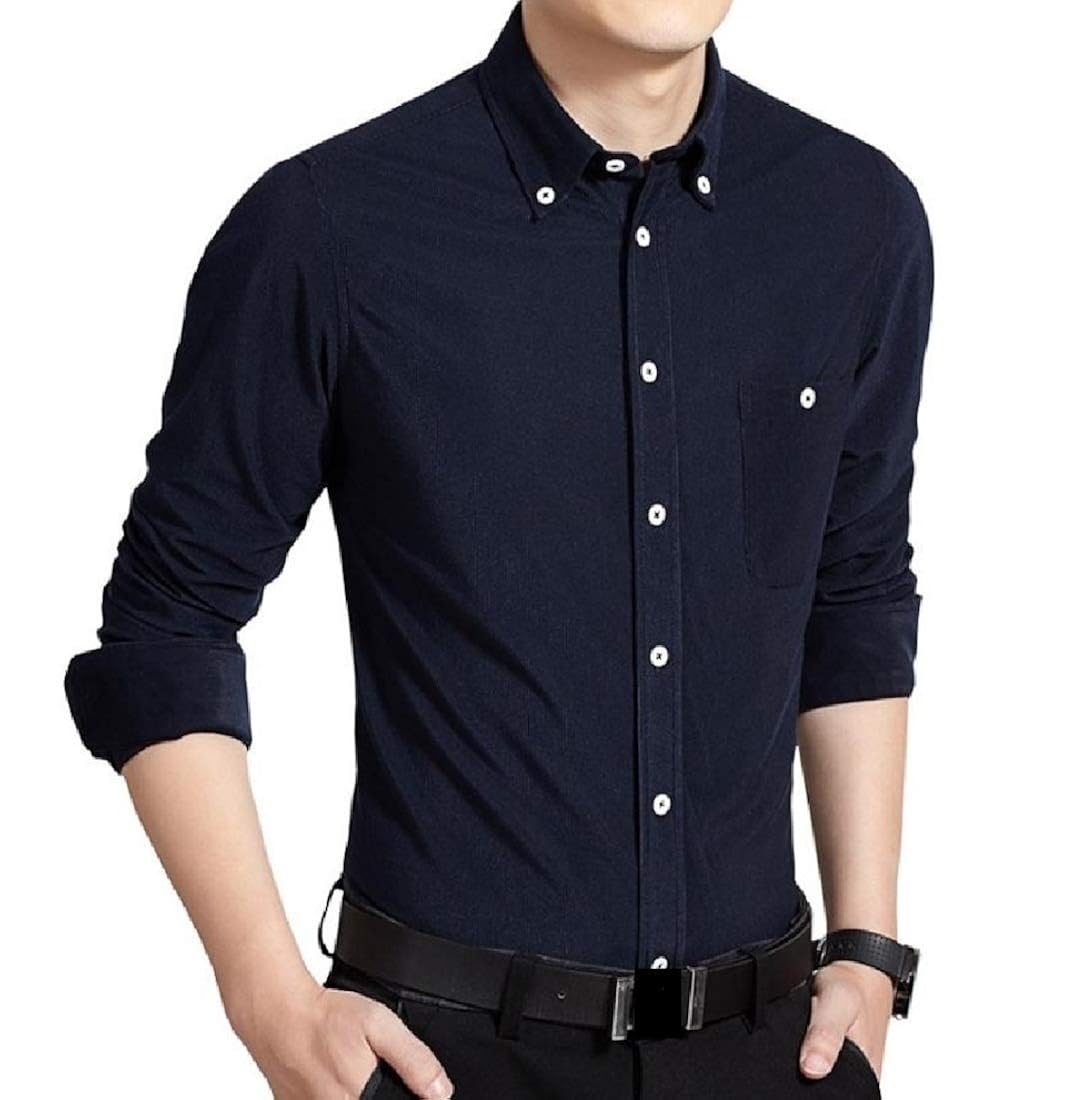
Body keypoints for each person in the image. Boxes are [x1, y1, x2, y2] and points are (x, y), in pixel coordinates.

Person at [63, 0, 933, 1096]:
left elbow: (853, 587)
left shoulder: (853, 216)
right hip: (442, 1059)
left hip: (774, 1051)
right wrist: (267, 998)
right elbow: (166, 624)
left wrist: (866, 947)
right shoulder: (330, 224)